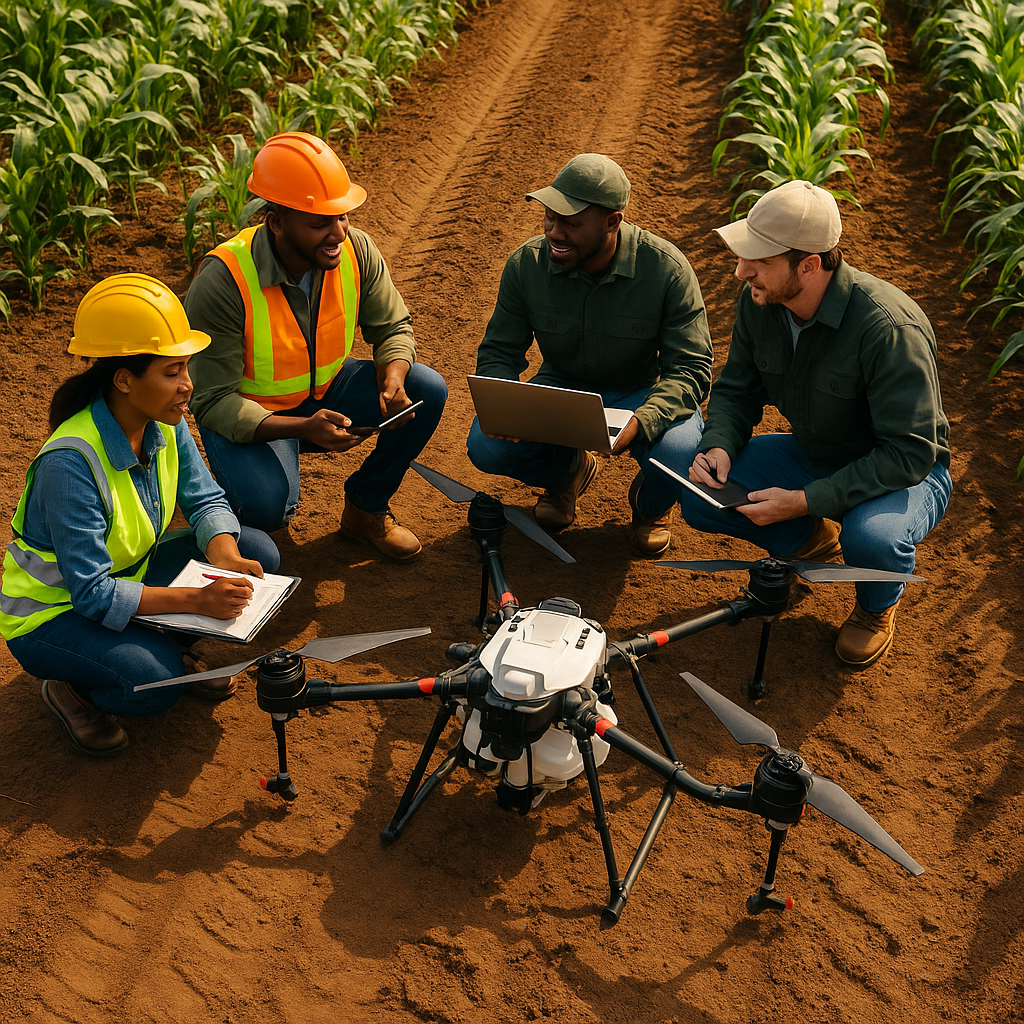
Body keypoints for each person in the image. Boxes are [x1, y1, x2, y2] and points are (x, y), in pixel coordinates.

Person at [0, 274, 281, 756]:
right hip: (53, 614)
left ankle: (160, 643)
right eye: (172, 372)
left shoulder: (162, 421)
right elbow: (90, 594)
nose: (187, 386)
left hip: (129, 575)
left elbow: (205, 500)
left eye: (186, 369)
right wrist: (196, 601)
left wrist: (226, 555)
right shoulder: (70, 463)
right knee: (155, 686)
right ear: (124, 379)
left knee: (256, 551)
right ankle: (70, 688)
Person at [676, 179, 952, 667]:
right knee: (704, 497)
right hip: (814, 452)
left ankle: (875, 607)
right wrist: (718, 443)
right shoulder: (761, 302)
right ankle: (809, 540)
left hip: (900, 473)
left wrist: (804, 500)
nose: (741, 271)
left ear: (808, 264)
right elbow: (738, 389)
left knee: (871, 537)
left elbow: (909, 453)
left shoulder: (889, 328)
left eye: (757, 261)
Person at [184, 131, 447, 561]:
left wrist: (394, 378)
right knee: (269, 507)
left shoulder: (356, 251)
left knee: (426, 390)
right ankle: (216, 512)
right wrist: (303, 428)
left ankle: (366, 508)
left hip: (328, 393)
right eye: (320, 221)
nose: (339, 232)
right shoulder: (224, 279)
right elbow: (211, 401)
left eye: (341, 216)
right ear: (276, 221)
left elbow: (393, 325)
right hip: (252, 415)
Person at [465, 153, 713, 556]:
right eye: (549, 218)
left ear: (612, 222)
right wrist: (502, 399)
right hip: (562, 385)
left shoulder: (666, 270)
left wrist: (642, 420)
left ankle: (650, 507)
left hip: (640, 391)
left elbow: (690, 368)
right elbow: (500, 350)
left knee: (678, 453)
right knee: (487, 444)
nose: (554, 232)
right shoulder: (527, 264)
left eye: (571, 223)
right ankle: (566, 474)